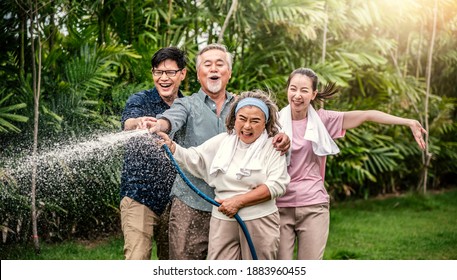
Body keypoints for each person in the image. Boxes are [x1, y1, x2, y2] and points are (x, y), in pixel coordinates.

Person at [148, 43, 290, 260]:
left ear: (229, 73)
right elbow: (172, 119)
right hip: (191, 202)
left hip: (241, 209)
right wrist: (162, 126)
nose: (213, 69)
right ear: (198, 74)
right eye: (207, 64)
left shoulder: (245, 106)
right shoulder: (185, 104)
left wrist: (284, 139)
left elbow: (272, 134)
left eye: (219, 64)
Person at [276, 67, 427, 260]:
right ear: (287, 90)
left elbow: (367, 115)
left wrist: (408, 122)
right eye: (293, 88)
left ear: (313, 94)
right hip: (280, 205)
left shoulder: (323, 120)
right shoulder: (274, 121)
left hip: (313, 206)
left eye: (304, 90)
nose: (297, 95)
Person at [119, 46, 187, 260]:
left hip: (176, 200)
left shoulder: (189, 106)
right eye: (158, 72)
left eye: (170, 72)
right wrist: (137, 123)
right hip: (140, 197)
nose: (163, 78)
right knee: (137, 259)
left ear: (182, 74)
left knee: (172, 263)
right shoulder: (140, 100)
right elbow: (128, 122)